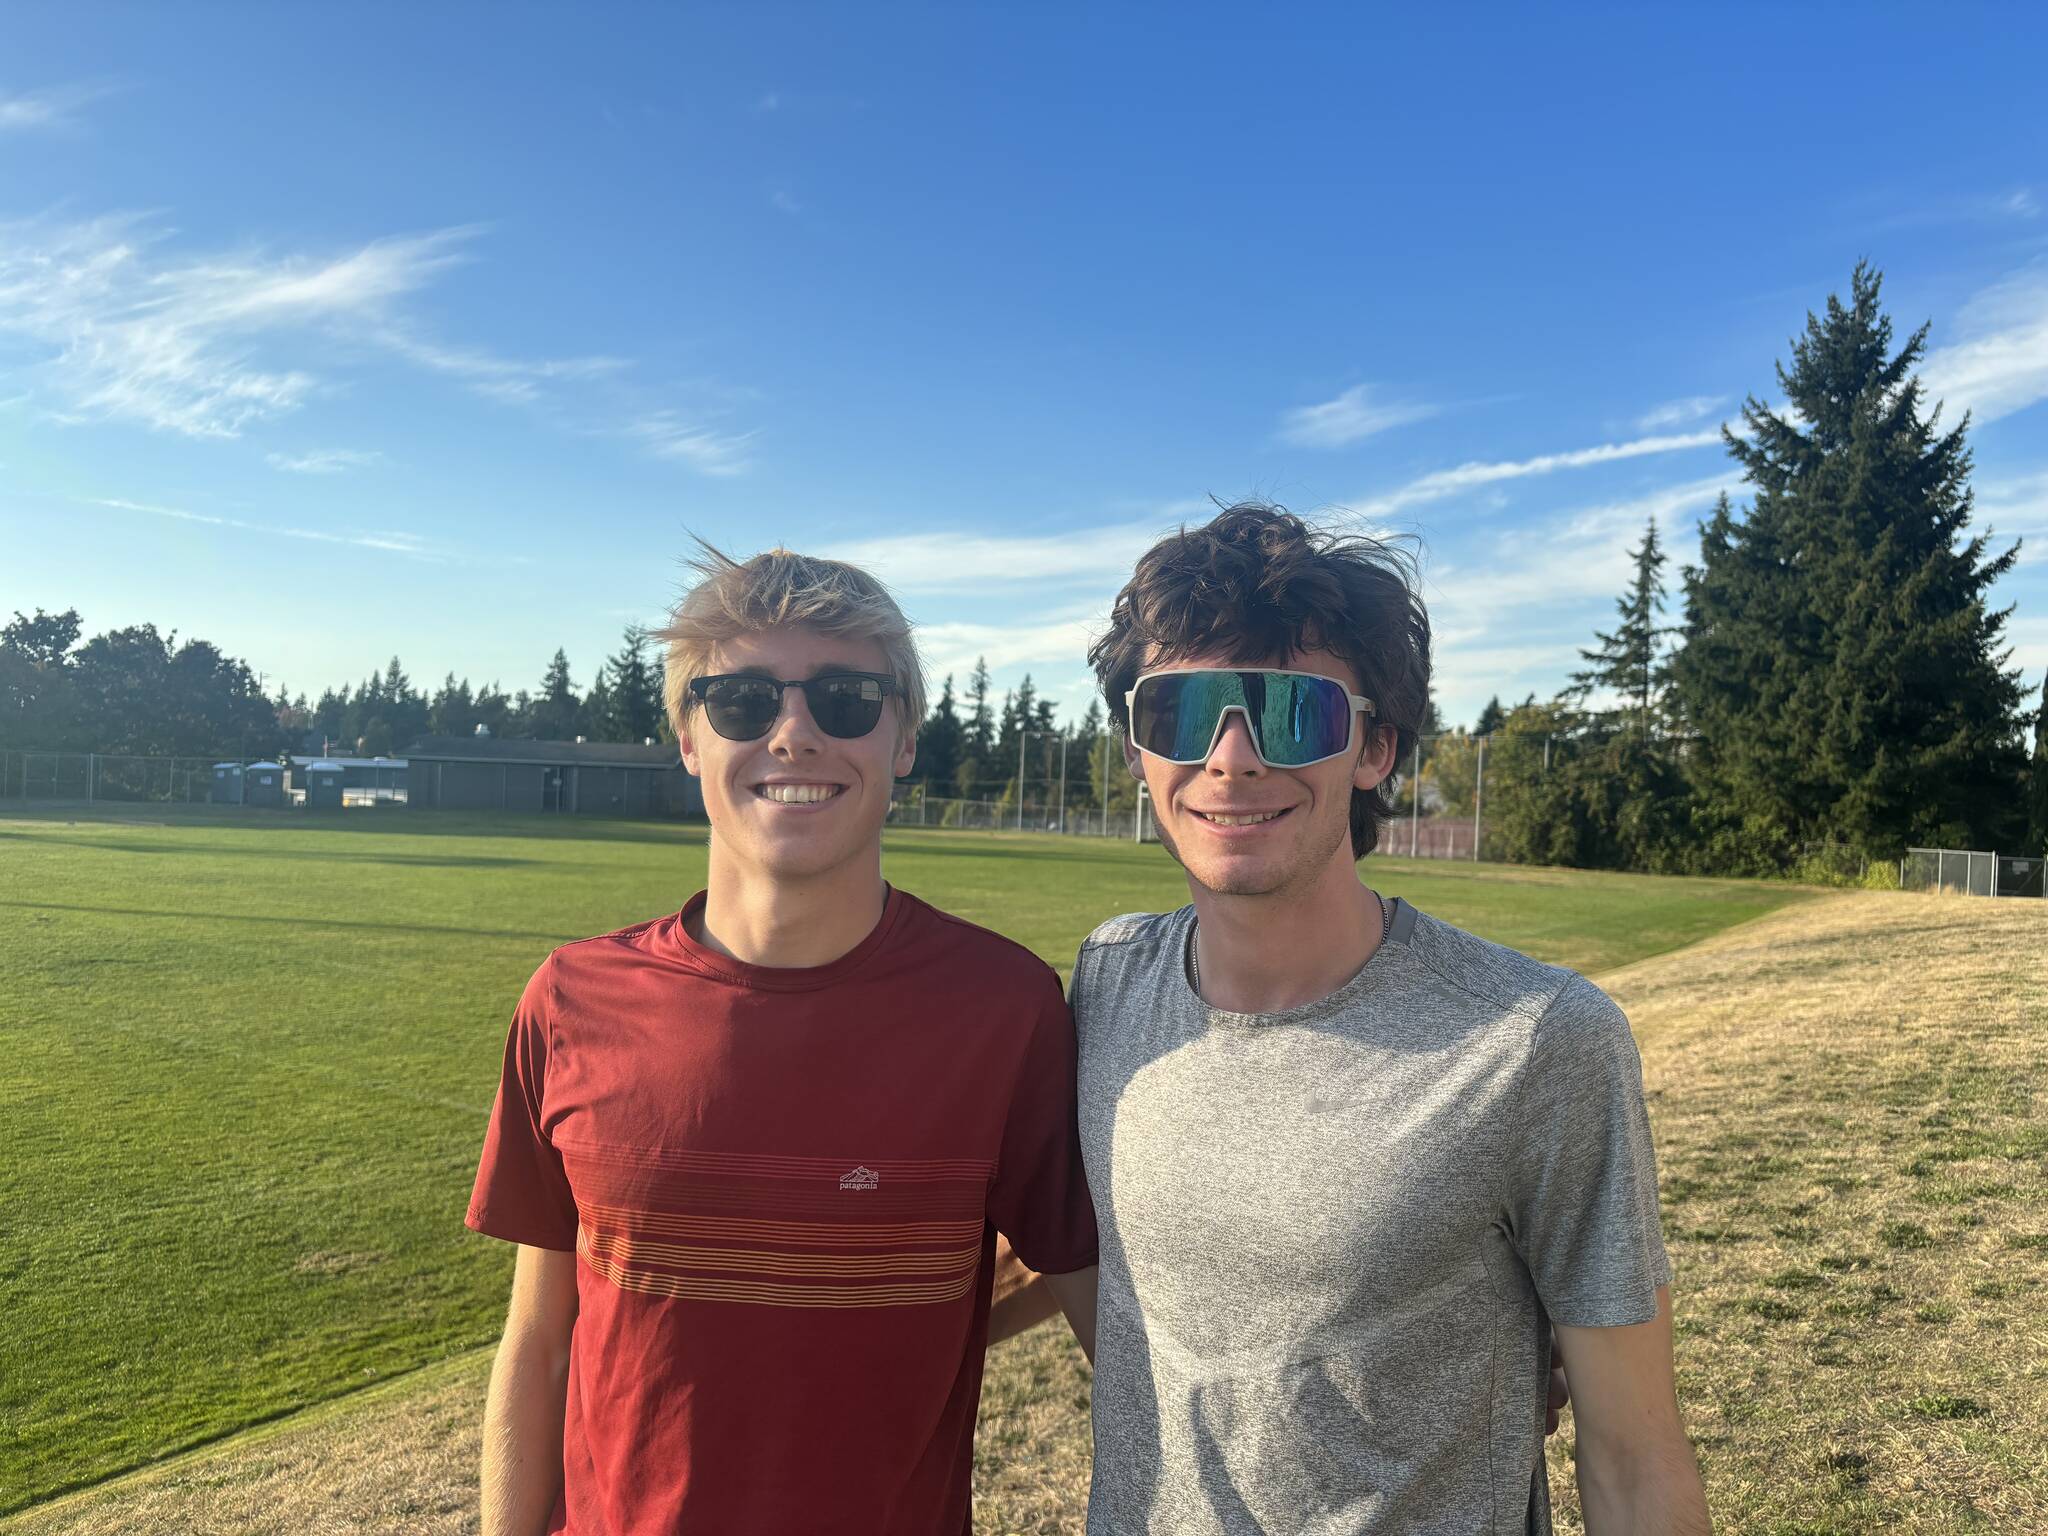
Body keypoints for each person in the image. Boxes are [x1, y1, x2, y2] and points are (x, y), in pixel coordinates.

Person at [1053, 503, 1709, 1533]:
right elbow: (1085, 1259)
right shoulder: (1106, 985)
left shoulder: (1535, 1037)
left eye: (1292, 714)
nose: (1229, 758)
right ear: (1137, 751)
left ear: (1374, 749)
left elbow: (1632, 1455)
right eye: (1180, 713)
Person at [465, 545, 1098, 1536]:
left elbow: (1097, 1304)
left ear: (903, 738)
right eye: (743, 702)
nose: (794, 734)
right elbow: (540, 1342)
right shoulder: (570, 1001)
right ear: (686, 737)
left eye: (845, 698)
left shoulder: (1006, 1008)